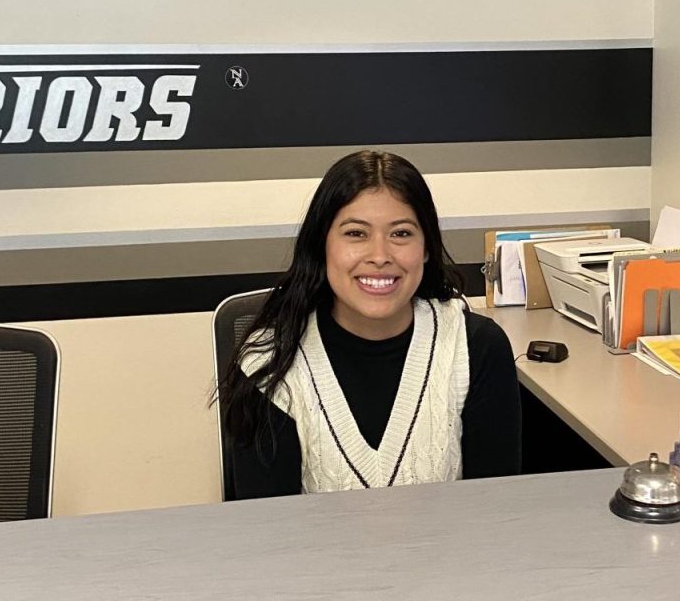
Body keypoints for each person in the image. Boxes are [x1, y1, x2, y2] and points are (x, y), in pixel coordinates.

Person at [216, 150, 521, 498]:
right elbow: (268, 535)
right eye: (356, 233)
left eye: (401, 234)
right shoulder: (270, 362)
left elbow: (495, 515)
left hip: (449, 552)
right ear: (322, 245)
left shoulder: (475, 349)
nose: (379, 255)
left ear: (426, 248)